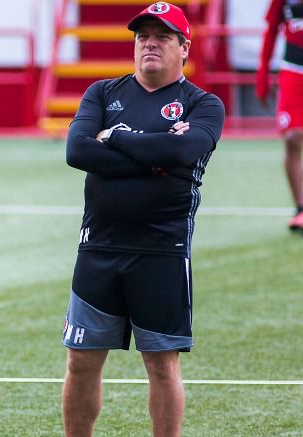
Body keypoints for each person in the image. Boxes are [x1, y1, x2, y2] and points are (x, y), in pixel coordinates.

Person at [60, 2, 225, 436]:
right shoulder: (102, 92)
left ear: (183, 47)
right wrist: (153, 156)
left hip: (161, 251)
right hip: (97, 248)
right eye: (143, 36)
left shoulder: (203, 104)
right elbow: (77, 151)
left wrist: (112, 137)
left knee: (161, 366)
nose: (149, 43)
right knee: (80, 361)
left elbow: (183, 153)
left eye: (162, 37)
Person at [256, 0, 303, 231]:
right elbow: (271, 29)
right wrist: (262, 74)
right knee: (293, 137)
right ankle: (301, 209)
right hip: (293, 71)